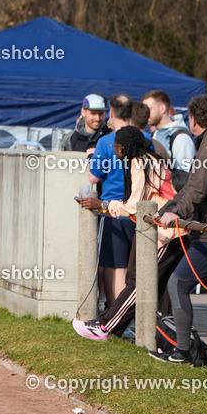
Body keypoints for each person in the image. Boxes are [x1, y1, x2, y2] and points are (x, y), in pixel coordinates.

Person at [152, 95, 207, 363]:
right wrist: (168, 207)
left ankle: (183, 351)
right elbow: (194, 184)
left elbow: (198, 186)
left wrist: (175, 212)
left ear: (193, 120)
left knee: (177, 283)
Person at [72, 126, 182, 340]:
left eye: (115, 146)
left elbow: (134, 207)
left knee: (138, 283)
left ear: (121, 147)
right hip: (169, 230)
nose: (114, 149)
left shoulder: (138, 162)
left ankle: (105, 327)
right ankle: (160, 337)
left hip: (168, 233)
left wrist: (102, 204)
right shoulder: (151, 158)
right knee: (147, 282)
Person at [88, 93, 134, 308]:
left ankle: (116, 315)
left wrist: (90, 158)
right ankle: (123, 312)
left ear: (111, 113)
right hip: (137, 209)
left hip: (111, 211)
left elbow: (93, 177)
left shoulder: (106, 142)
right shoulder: (146, 140)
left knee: (116, 266)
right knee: (130, 266)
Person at [143, 90, 195, 177]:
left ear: (162, 109)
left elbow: (184, 179)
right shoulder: (153, 135)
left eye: (149, 109)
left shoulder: (181, 139)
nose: (145, 113)